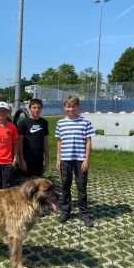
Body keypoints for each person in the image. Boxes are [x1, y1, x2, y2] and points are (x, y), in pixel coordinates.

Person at [55, 95, 95, 227]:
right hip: (65, 160)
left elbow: (88, 141)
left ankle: (84, 213)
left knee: (81, 186)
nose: (70, 109)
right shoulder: (60, 123)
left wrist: (86, 160)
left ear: (78, 106)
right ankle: (65, 211)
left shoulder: (85, 122)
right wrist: (58, 158)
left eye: (73, 106)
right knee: (65, 185)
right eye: (68, 106)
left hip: (80, 160)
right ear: (64, 107)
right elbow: (59, 142)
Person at [17, 98, 49, 178]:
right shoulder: (23, 123)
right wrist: (21, 159)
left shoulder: (44, 122)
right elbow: (19, 142)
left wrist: (47, 157)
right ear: (30, 108)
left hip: (38, 157)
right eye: (34, 107)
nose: (36, 110)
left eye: (39, 108)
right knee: (25, 183)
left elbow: (45, 140)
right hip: (27, 157)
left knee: (37, 182)